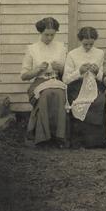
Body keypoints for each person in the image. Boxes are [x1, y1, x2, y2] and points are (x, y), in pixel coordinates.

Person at [20, 17, 68, 147]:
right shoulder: (32, 49)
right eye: (46, 34)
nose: (49, 38)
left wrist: (61, 68)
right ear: (40, 32)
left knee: (59, 94)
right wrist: (37, 70)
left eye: (52, 35)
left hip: (56, 80)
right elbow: (24, 76)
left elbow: (67, 73)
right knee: (46, 94)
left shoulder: (61, 47)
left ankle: (59, 137)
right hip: (39, 82)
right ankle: (43, 137)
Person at [62, 27, 106, 148]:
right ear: (80, 41)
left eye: (91, 44)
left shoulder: (100, 53)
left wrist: (97, 72)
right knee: (79, 103)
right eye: (85, 44)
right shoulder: (72, 54)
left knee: (99, 101)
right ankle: (80, 141)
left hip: (95, 86)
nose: (88, 47)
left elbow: (103, 78)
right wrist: (79, 71)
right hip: (77, 87)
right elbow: (65, 79)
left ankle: (96, 141)